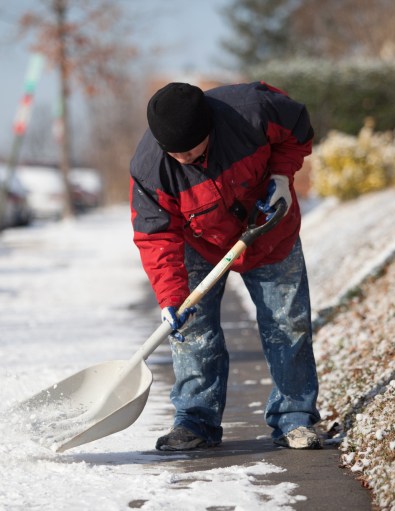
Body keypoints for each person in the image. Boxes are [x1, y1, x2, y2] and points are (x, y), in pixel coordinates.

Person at [129, 81, 321, 451]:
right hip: (198, 242)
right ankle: (195, 420)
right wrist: (171, 299)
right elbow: (156, 237)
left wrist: (281, 175)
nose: (182, 158)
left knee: (287, 324)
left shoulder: (251, 112)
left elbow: (298, 130)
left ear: (209, 130)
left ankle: (294, 418)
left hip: (267, 227)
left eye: (190, 149)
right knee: (192, 330)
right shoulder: (150, 168)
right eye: (174, 152)